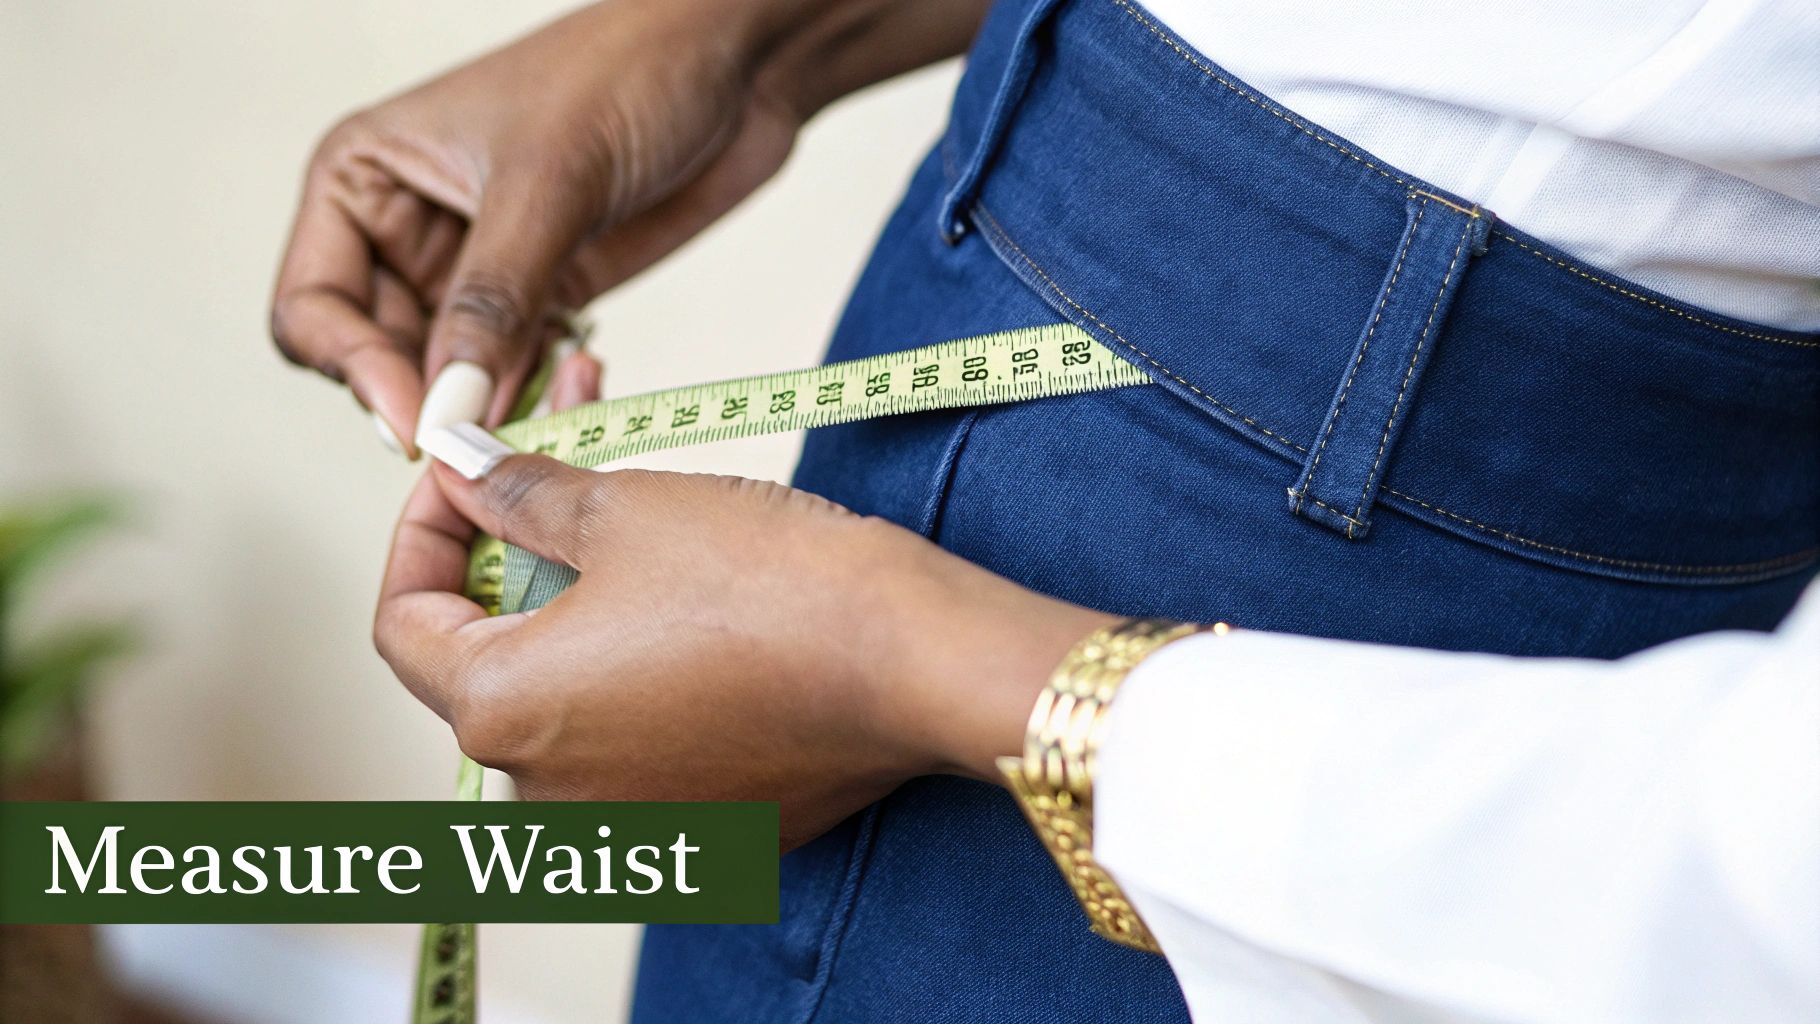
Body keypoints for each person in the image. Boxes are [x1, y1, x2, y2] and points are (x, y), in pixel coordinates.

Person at [270, 1, 1819, 1020]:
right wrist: (756, 35)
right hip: (1059, 206)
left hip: (1296, 556)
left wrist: (908, 657)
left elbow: (1760, 890)